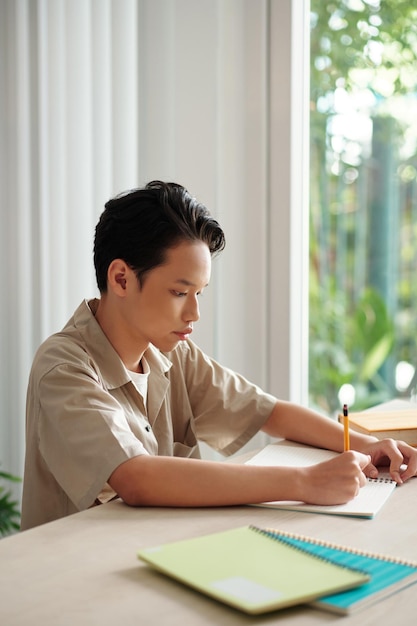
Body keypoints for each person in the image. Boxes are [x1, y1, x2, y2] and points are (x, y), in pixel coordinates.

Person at [21, 180, 417, 530]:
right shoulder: (64, 367)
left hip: (152, 552)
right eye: (179, 293)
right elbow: (136, 477)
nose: (194, 314)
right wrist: (304, 482)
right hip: (73, 577)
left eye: (200, 293)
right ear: (121, 278)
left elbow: (269, 412)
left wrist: (364, 444)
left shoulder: (173, 354)